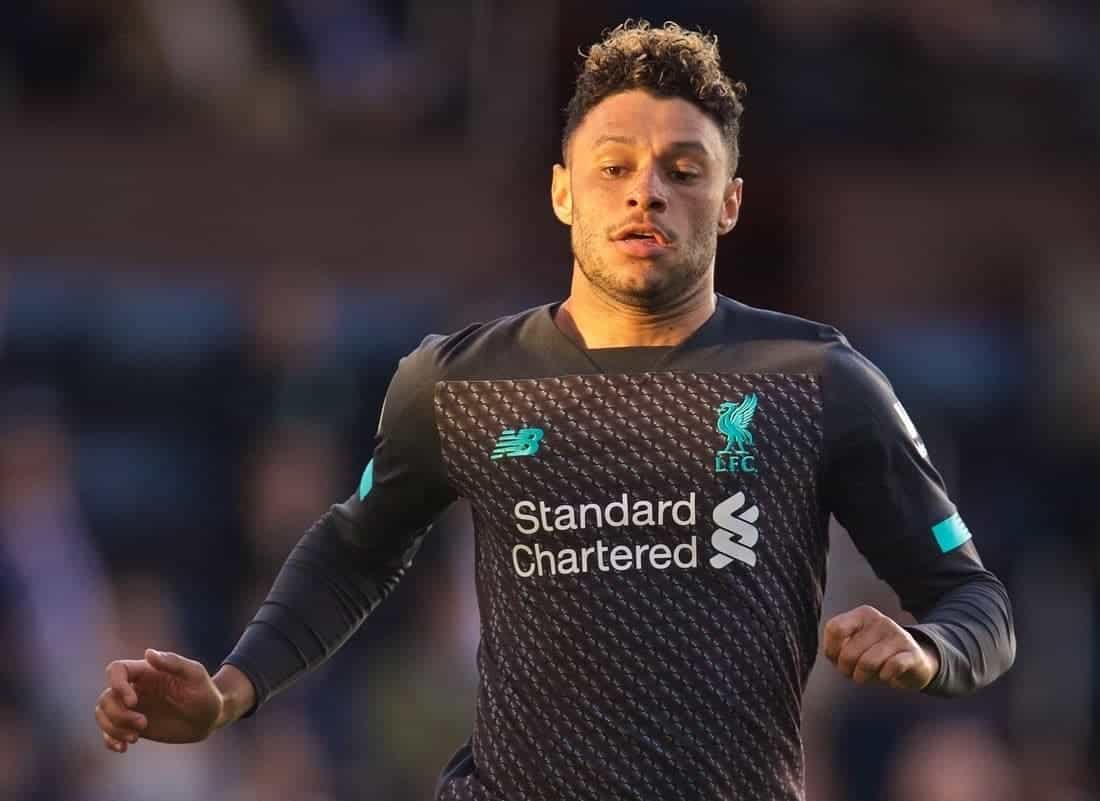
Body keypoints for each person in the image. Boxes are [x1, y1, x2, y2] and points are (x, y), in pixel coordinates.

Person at [94, 20, 1016, 801]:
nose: (645, 190)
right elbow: (352, 548)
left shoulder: (821, 381)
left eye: (684, 170)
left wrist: (929, 649)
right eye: (613, 164)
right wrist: (231, 689)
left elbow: (975, 601)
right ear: (563, 191)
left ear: (730, 202)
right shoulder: (457, 383)